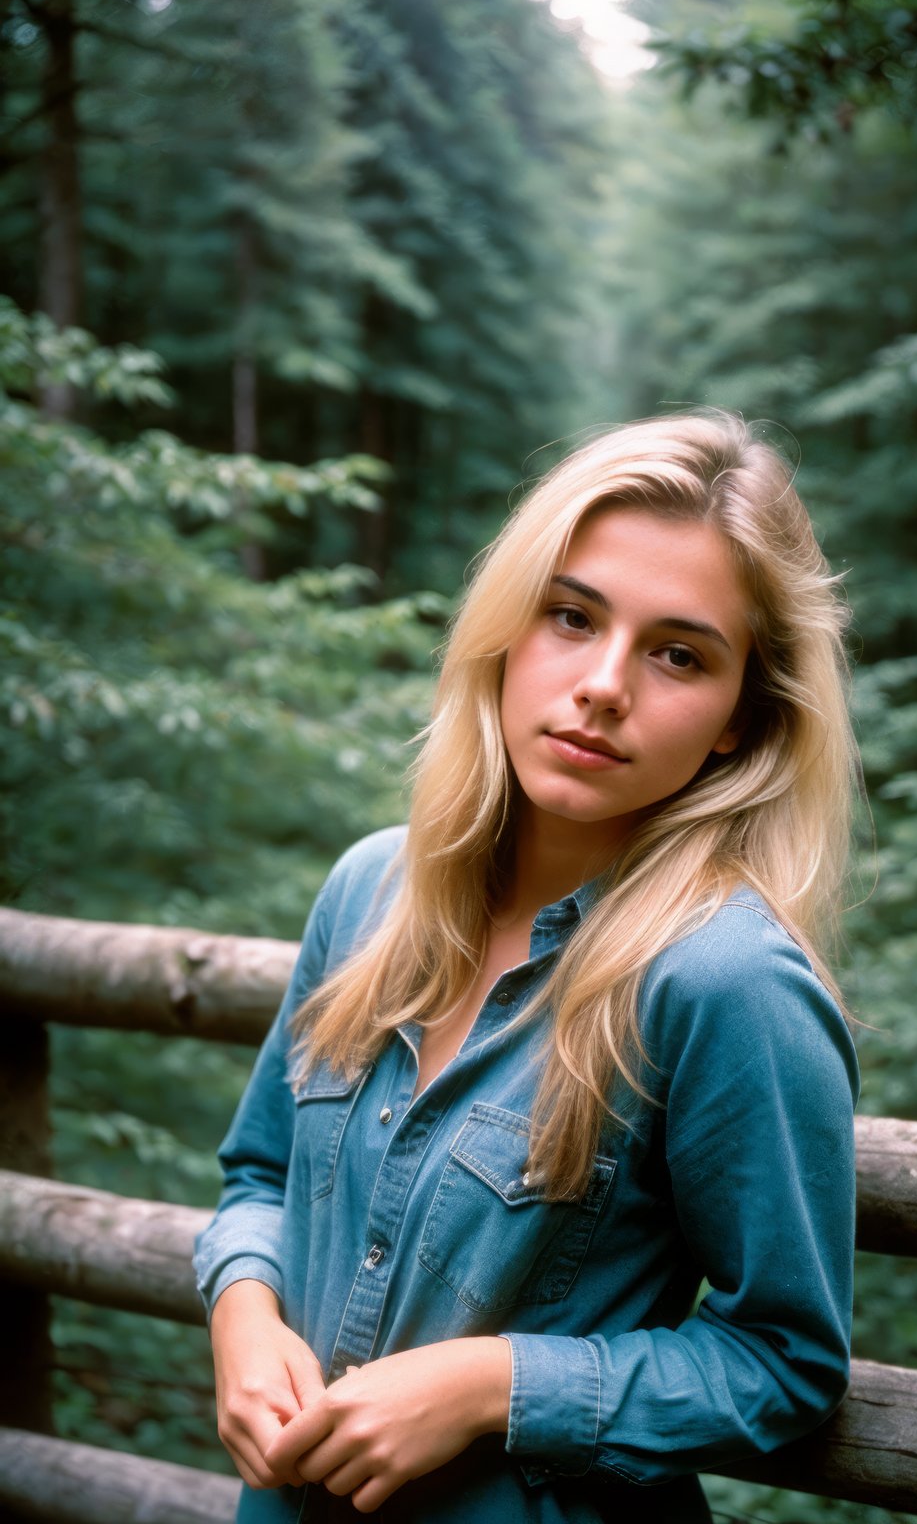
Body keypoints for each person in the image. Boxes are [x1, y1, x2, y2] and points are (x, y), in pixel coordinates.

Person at [194, 411, 860, 1524]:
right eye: (570, 615)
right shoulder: (369, 891)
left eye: (677, 653)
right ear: (508, 628)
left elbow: (784, 1361)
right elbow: (258, 1177)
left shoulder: (724, 983)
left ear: (742, 718)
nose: (603, 684)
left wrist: (491, 1384)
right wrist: (244, 1317)